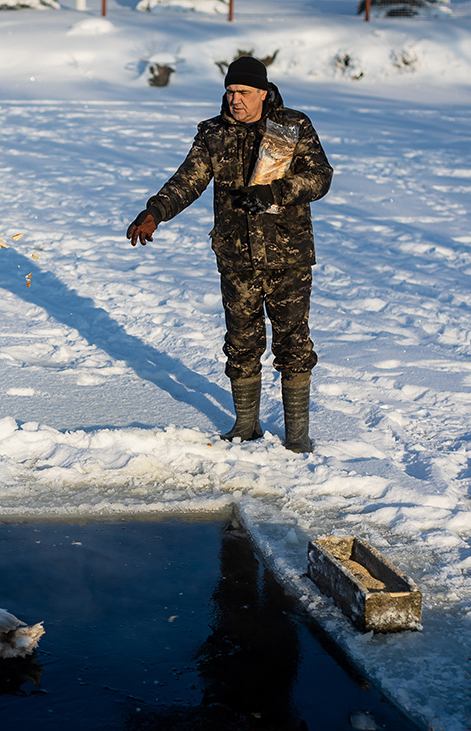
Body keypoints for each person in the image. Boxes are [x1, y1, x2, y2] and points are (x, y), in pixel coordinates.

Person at [126, 56, 333, 453]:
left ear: (263, 93)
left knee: (293, 343)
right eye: (230, 92)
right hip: (236, 256)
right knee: (241, 343)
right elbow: (189, 179)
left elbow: (320, 176)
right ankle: (245, 425)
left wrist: (276, 192)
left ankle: (297, 436)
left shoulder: (292, 126)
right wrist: (155, 211)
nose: (235, 100)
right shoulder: (213, 133)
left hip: (287, 254)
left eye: (243, 92)